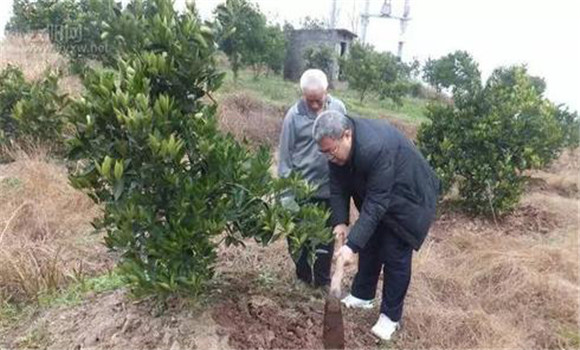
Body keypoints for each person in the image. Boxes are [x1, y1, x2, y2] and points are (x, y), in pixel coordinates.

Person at [312, 110, 440, 340]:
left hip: (410, 197)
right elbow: (338, 186)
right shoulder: (336, 149)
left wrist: (351, 246)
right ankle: (363, 295)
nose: (329, 157)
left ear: (347, 135)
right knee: (370, 242)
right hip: (380, 193)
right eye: (324, 153)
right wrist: (340, 221)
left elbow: (377, 203)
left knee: (395, 253)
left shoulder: (375, 147)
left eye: (331, 151)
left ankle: (390, 318)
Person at [277, 69, 347, 288]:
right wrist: (287, 197)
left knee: (325, 239)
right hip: (302, 191)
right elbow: (285, 159)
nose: (315, 105)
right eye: (310, 101)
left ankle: (322, 282)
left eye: (319, 100)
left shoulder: (339, 108)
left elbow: (345, 143)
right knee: (299, 240)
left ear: (327, 92)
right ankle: (303, 278)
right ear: (302, 95)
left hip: (329, 190)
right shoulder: (293, 117)